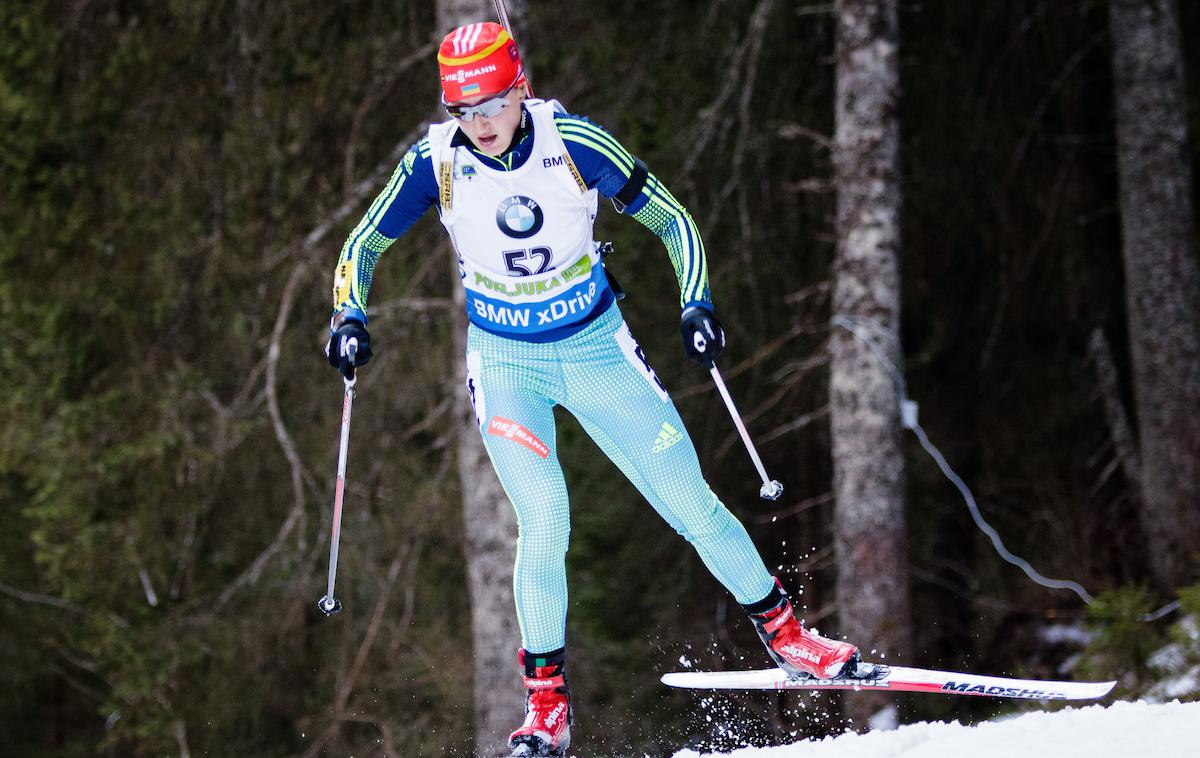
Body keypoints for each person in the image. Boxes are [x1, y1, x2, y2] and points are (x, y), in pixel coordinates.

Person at [325, 21, 869, 757]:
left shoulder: (572, 143)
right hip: (507, 363)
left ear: (519, 87)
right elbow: (362, 244)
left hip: (594, 349)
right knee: (544, 517)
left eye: (491, 103)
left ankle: (789, 638)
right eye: (464, 110)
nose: (480, 124)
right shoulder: (436, 162)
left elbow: (673, 220)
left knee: (690, 500)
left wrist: (695, 302)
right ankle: (546, 708)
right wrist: (348, 314)